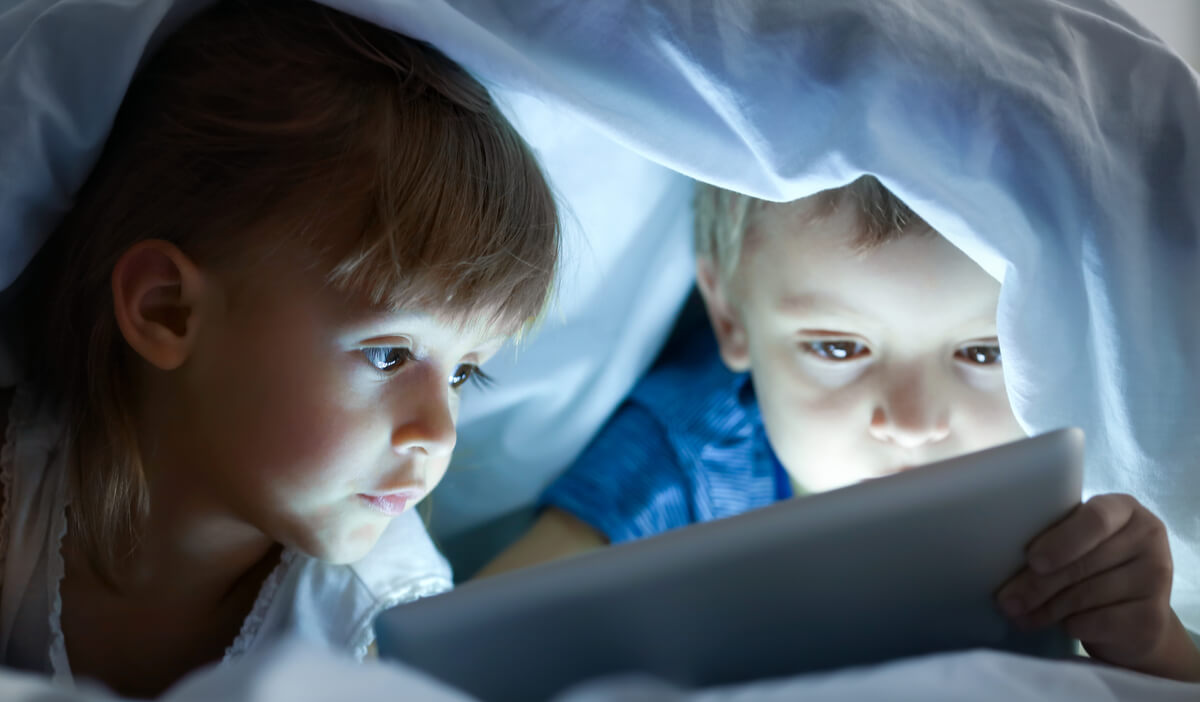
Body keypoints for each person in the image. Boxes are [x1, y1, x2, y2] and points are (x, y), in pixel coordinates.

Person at [0, 0, 559, 697]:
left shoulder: (380, 630)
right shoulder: (16, 487)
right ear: (165, 309)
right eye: (389, 355)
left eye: (464, 374)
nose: (437, 434)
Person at [477, 176, 1200, 682]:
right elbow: (474, 640)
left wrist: (1155, 643)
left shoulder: (1060, 483)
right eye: (837, 348)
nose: (914, 423)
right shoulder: (682, 456)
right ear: (730, 317)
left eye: (983, 352)